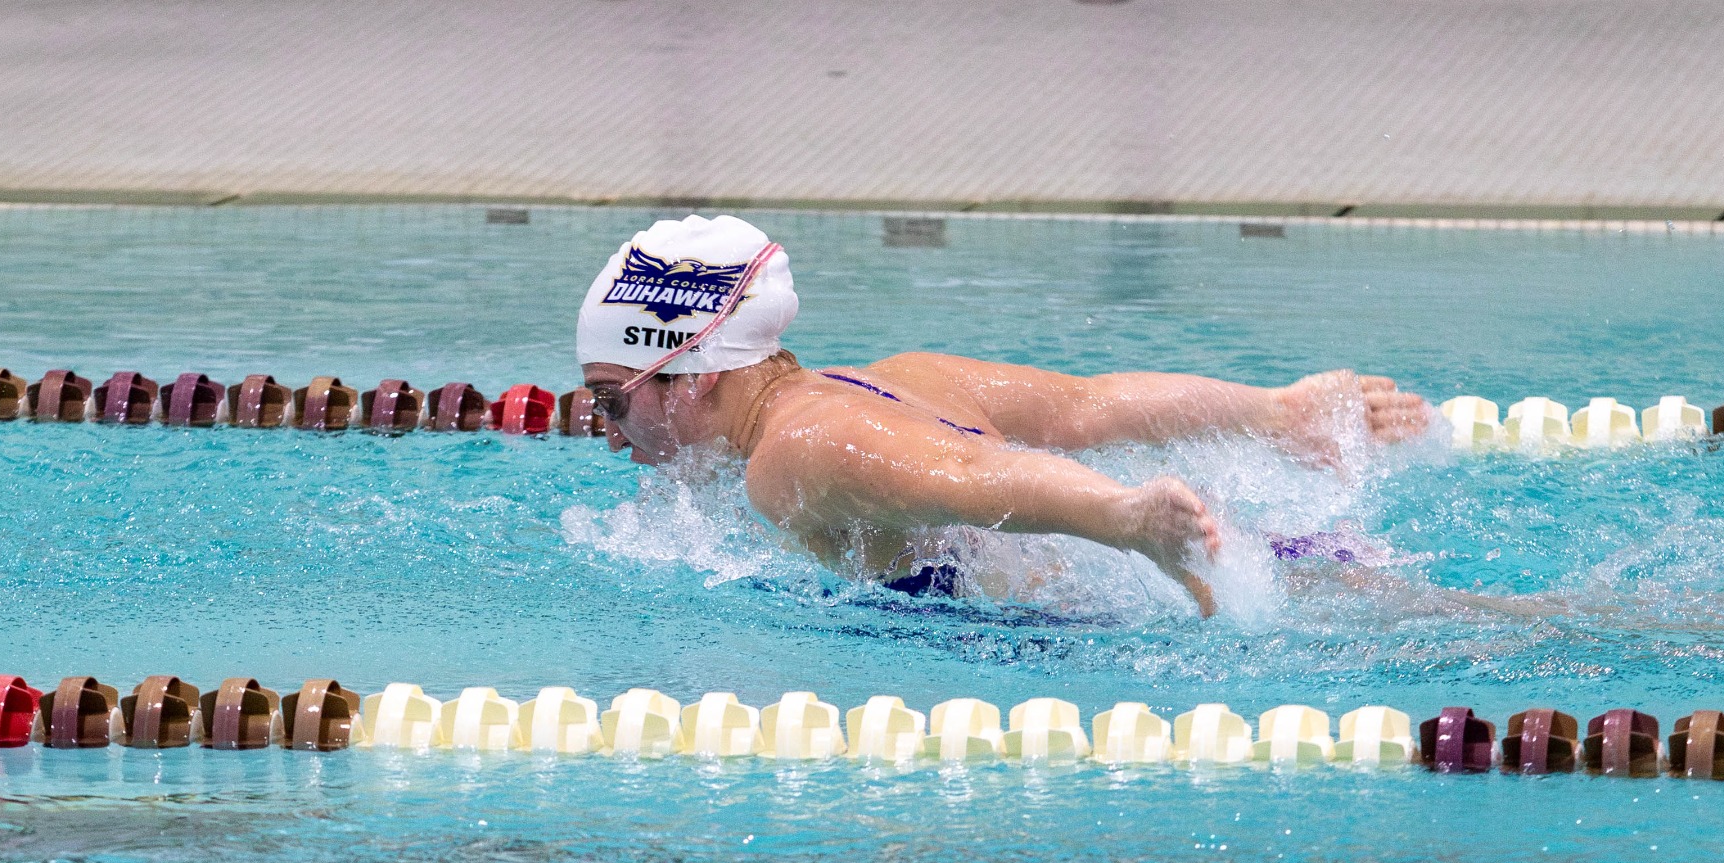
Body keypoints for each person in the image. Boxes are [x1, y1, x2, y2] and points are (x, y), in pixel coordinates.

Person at [576, 215, 1431, 616]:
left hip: (1155, 601)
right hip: (1255, 563)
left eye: (615, 398)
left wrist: (1125, 519)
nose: (608, 430)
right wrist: (1276, 414)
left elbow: (973, 480)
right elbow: (1093, 404)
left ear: (690, 376)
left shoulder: (792, 454)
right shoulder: (894, 378)